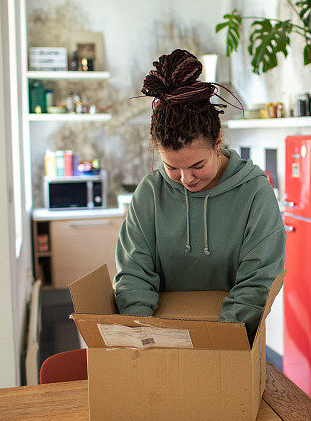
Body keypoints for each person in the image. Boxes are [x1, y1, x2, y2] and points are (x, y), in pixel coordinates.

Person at [113, 49, 285, 341]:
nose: (186, 179)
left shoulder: (255, 191)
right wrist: (142, 336)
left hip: (232, 341)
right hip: (159, 343)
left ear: (217, 142)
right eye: (171, 167)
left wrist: (221, 339)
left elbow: (258, 281)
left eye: (197, 165)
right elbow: (133, 276)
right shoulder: (149, 194)